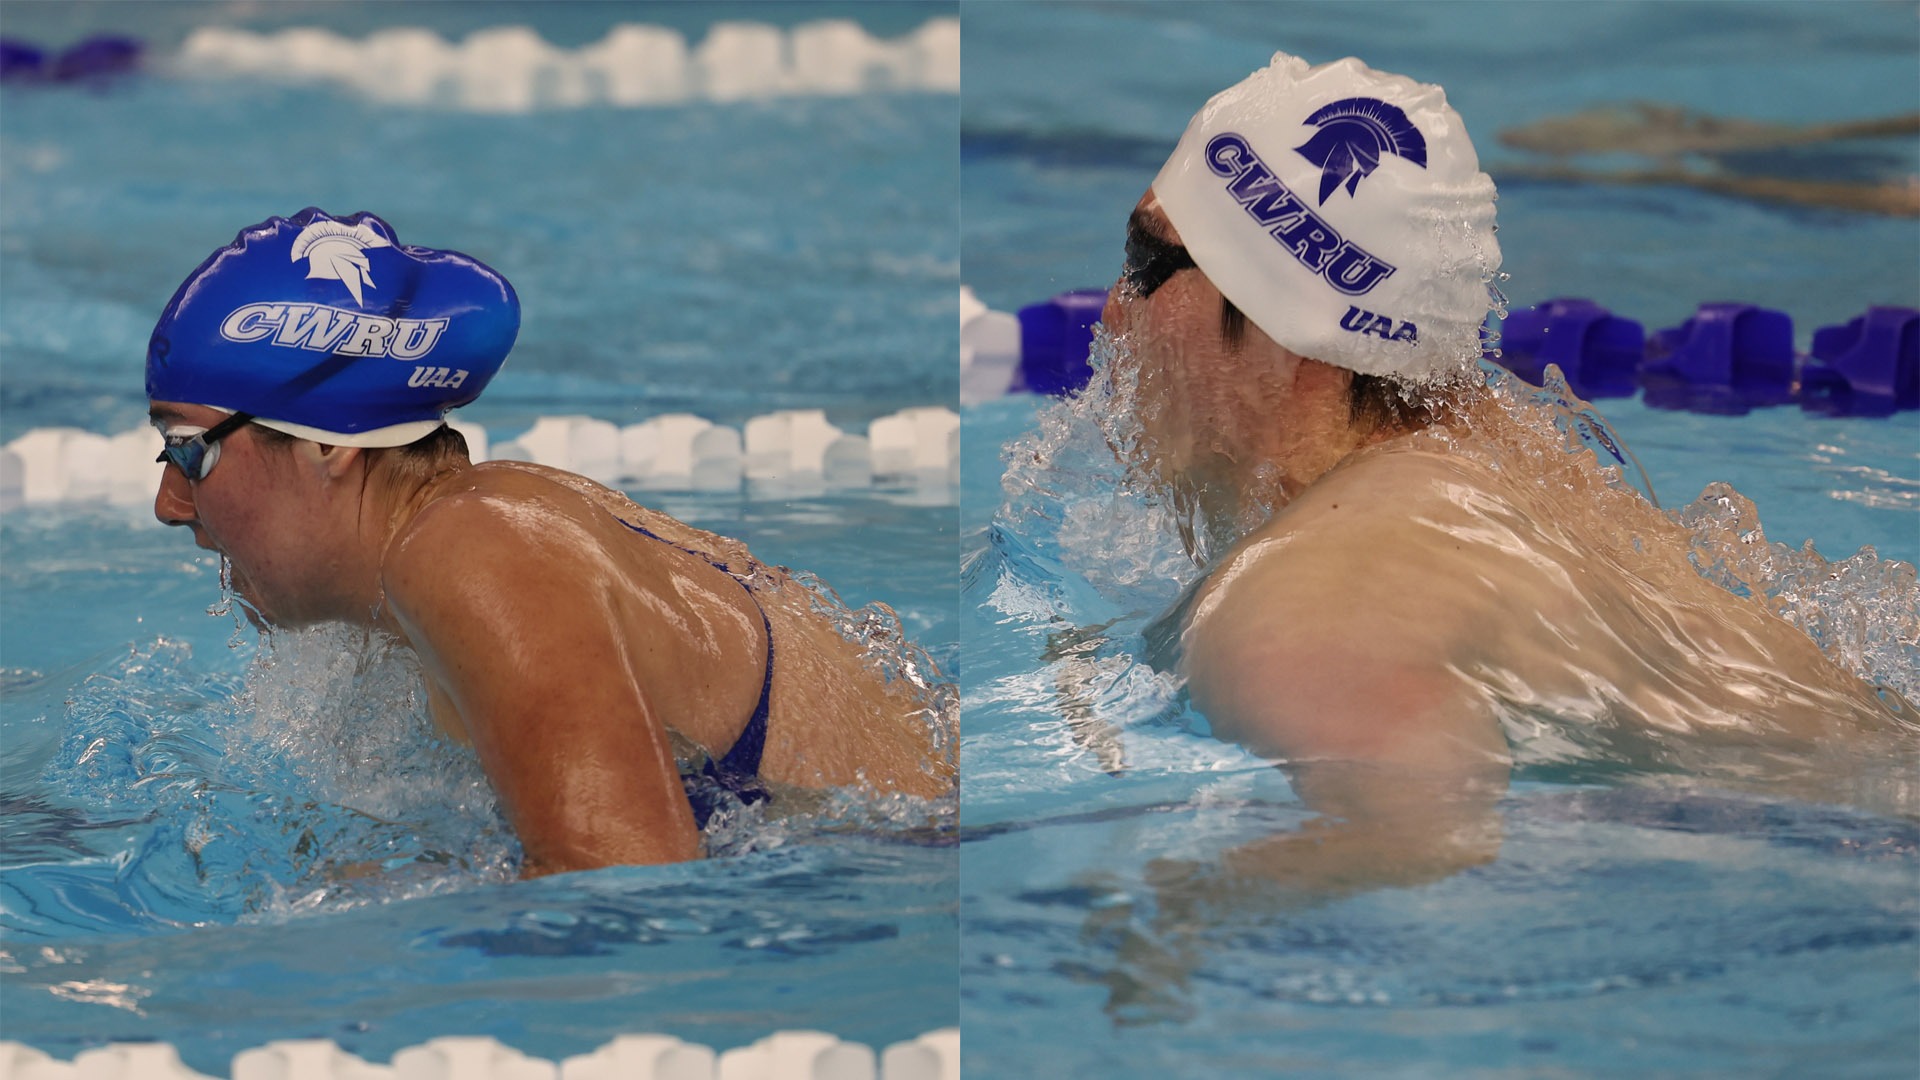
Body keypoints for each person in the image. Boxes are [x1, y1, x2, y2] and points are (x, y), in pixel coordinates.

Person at [1090, 54, 1916, 900]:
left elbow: (1417, 846)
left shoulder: (1307, 601)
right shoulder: (1495, 458)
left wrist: (1154, 931)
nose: (1113, 308)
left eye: (1146, 264)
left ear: (1289, 333)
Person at [146, 208, 952, 877]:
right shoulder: (458, 541)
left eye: (189, 451)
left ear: (328, 444)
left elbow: (620, 905)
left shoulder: (477, 549)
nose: (168, 502)